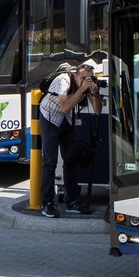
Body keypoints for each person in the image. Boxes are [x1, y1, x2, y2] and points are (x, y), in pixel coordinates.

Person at [38, 61, 102, 218]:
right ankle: (47, 203)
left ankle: (72, 201)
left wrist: (94, 93)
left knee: (71, 160)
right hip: (50, 117)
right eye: (83, 78)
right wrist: (82, 89)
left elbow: (98, 111)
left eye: (90, 78)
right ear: (75, 75)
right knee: (50, 161)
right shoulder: (62, 80)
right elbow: (65, 106)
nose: (87, 80)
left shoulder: (86, 86)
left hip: (66, 120)